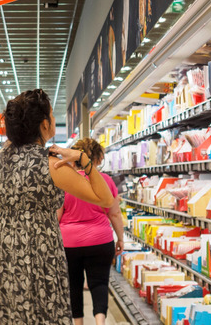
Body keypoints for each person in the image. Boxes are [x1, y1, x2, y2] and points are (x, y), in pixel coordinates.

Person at [0, 89, 114, 324]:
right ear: (44, 125)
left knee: (14, 311)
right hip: (42, 249)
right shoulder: (51, 164)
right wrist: (82, 159)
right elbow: (105, 199)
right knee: (46, 310)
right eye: (52, 116)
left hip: (7, 250)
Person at [57, 138, 124, 325]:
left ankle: (78, 323)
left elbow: (57, 215)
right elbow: (115, 214)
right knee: (100, 283)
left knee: (74, 285)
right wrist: (120, 239)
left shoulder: (66, 182)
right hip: (101, 240)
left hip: (69, 243)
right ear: (98, 158)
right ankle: (100, 322)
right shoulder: (106, 181)